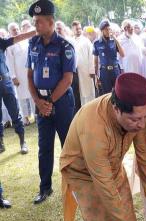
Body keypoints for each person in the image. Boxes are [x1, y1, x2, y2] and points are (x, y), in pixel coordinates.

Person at [61, 73, 146, 221]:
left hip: (112, 166)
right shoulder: (94, 128)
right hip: (83, 175)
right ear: (116, 108)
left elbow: (144, 154)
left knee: (127, 216)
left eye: (144, 117)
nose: (141, 125)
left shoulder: (137, 115)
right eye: (135, 120)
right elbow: (104, 185)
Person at [27, 0, 76, 204]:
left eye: (38, 21)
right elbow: (30, 75)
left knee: (69, 144)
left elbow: (68, 79)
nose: (35, 25)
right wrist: (39, 102)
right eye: (34, 21)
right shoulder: (33, 44)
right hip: (42, 103)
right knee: (44, 147)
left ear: (51, 22)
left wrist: (48, 101)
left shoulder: (65, 46)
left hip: (62, 102)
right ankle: (45, 188)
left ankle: (74, 186)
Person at [0, 22, 35, 154]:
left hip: (6, 83)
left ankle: (22, 142)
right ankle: (1, 143)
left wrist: (36, 31)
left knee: (15, 113)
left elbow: (19, 38)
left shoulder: (1, 42)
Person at [6, 22, 34, 126]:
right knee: (22, 97)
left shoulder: (25, 41)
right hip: (18, 75)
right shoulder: (9, 45)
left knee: (32, 93)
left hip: (29, 72)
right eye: (13, 29)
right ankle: (25, 118)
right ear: (9, 32)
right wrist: (13, 76)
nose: (16, 30)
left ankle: (36, 115)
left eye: (17, 28)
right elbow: (9, 62)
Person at [93, 19, 125, 95]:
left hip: (115, 70)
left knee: (118, 93)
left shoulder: (114, 41)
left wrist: (116, 40)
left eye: (109, 29)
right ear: (102, 31)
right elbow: (95, 61)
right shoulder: (97, 43)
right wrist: (96, 76)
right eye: (106, 29)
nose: (108, 31)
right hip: (104, 72)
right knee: (106, 94)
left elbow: (123, 54)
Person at [72, 21, 96, 106]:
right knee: (78, 93)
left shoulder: (86, 41)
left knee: (88, 92)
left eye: (79, 28)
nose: (78, 30)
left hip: (86, 72)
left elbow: (91, 56)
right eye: (76, 29)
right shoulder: (71, 41)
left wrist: (92, 71)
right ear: (73, 30)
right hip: (75, 73)